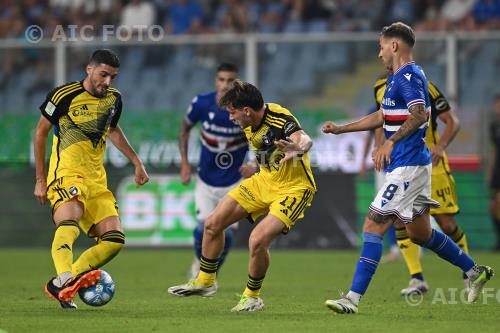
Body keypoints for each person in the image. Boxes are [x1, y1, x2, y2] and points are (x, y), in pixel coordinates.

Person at [322, 22, 494, 314]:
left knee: (373, 223)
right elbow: (381, 115)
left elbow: (419, 116)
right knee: (420, 234)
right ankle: (474, 270)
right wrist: (342, 129)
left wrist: (390, 144)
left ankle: (352, 298)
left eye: (380, 46)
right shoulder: (395, 78)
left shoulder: (410, 76)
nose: (378, 54)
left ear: (394, 46)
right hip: (409, 166)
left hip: (409, 167)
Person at [168, 80, 316, 312]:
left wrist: (298, 148)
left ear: (246, 111)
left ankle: (252, 296)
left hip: (293, 188)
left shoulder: (279, 117)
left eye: (232, 113)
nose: (230, 118)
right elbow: (265, 150)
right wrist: (255, 166)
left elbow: (303, 138)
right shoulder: (248, 122)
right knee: (212, 224)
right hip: (263, 181)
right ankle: (205, 281)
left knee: (257, 240)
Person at [33, 49, 149, 309]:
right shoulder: (63, 95)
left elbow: (113, 129)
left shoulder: (114, 99)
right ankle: (65, 279)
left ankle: (65, 282)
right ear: (89, 69)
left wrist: (136, 161)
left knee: (114, 240)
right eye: (103, 74)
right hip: (66, 174)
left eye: (113, 77)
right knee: (69, 222)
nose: (107, 82)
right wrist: (40, 180)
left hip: (97, 180)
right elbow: (40, 133)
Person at [373, 74, 469, 295]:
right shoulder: (380, 86)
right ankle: (417, 278)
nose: (381, 54)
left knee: (445, 223)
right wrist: (379, 145)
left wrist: (441, 146)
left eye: (384, 48)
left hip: (431, 164)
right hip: (401, 165)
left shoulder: (424, 85)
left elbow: (452, 121)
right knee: (398, 220)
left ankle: (468, 272)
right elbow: (381, 118)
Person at [178, 63, 255, 280]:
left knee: (226, 233)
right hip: (205, 179)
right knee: (201, 230)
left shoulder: (244, 111)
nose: (225, 85)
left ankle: (209, 274)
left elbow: (258, 139)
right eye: (221, 79)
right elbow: (184, 130)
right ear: (215, 80)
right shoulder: (201, 103)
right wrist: (184, 163)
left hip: (234, 181)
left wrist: (253, 163)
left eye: (230, 80)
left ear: (237, 83)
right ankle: (200, 264)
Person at [360, 104, 401, 263]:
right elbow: (369, 138)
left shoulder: (405, 105)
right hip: (384, 168)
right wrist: (363, 161)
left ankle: (410, 247)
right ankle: (395, 248)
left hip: (402, 165)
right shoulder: (375, 110)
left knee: (401, 209)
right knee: (386, 209)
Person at [489, 94, 500, 250]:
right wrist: (491, 170)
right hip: (497, 170)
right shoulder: (494, 125)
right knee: (493, 206)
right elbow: (494, 150)